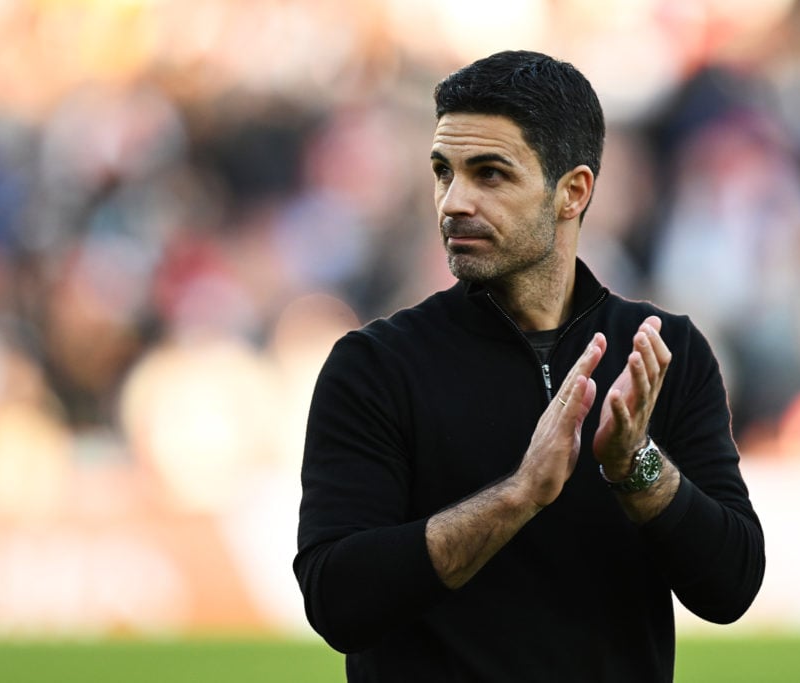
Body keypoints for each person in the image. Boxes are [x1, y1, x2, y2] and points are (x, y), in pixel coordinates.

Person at [294, 50, 765, 682]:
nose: (453, 202)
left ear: (572, 192)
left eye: (489, 174)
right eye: (443, 172)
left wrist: (637, 470)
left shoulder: (659, 350)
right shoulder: (376, 366)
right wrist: (519, 495)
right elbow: (337, 600)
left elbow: (730, 586)